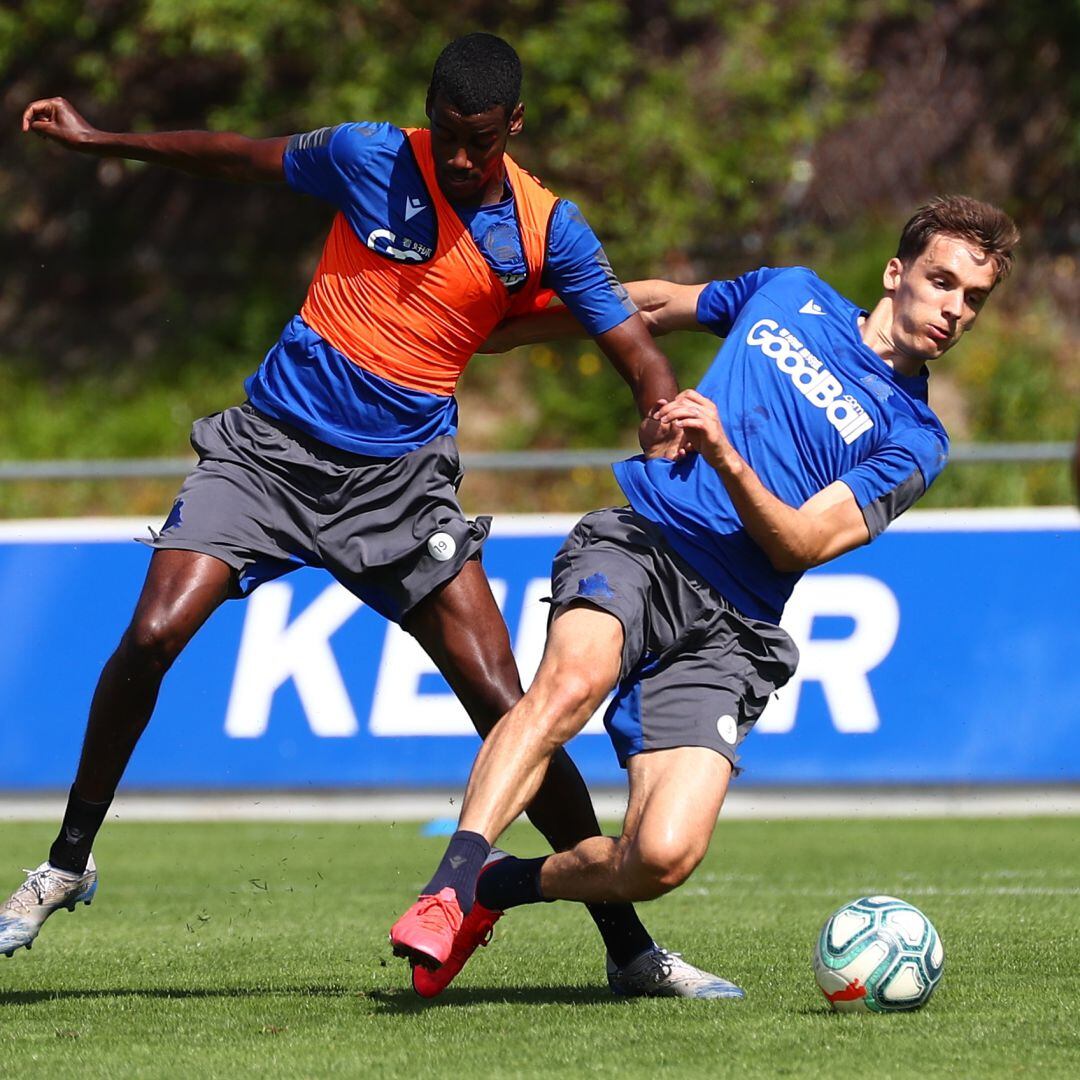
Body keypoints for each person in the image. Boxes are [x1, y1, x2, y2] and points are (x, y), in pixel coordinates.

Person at [1, 33, 734, 1000]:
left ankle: (628, 949)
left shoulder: (548, 228)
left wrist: (659, 407)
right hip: (267, 455)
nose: (460, 158)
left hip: (399, 491)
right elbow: (237, 154)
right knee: (151, 633)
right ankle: (67, 861)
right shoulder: (370, 155)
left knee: (511, 710)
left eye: (479, 141)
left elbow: (630, 341)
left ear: (513, 127)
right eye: (446, 135)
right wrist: (104, 141)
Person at [389, 195, 1021, 998]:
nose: (955, 309)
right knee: (571, 683)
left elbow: (800, 542)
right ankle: (447, 887)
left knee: (661, 856)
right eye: (943, 282)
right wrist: (505, 327)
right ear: (897, 274)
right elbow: (654, 304)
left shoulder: (914, 438)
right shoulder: (789, 293)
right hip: (646, 541)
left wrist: (726, 454)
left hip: (735, 627)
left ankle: (495, 887)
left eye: (974, 299)